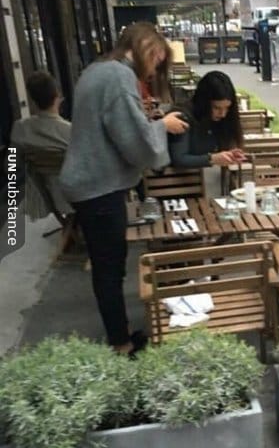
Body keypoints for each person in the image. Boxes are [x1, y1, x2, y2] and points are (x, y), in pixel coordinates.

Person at [59, 22, 189, 357]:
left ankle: (121, 335)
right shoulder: (118, 77)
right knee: (110, 267)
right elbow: (137, 143)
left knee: (108, 265)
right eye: (158, 58)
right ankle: (121, 344)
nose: (155, 68)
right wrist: (164, 124)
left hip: (89, 184)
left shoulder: (97, 69)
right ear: (147, 47)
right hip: (98, 187)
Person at [11, 71, 72, 220]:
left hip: (45, 200)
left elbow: (10, 165)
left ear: (33, 100)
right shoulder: (71, 131)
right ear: (58, 97)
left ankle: (70, 227)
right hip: (78, 197)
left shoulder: (20, 128)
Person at [168, 70, 246, 170]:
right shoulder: (182, 117)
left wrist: (229, 155)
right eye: (217, 108)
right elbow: (179, 159)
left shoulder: (223, 120)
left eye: (227, 108)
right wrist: (212, 158)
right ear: (204, 103)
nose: (223, 114)